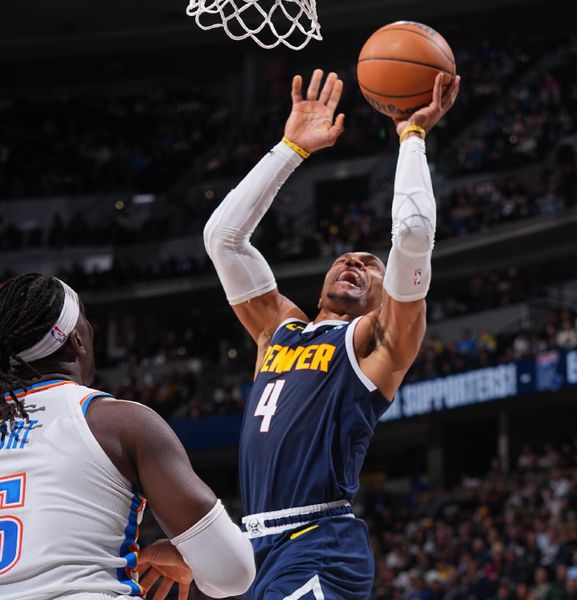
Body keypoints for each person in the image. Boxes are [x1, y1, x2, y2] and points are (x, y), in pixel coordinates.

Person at [204, 68, 460, 598]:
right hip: (252, 547)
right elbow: (223, 239)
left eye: (370, 264)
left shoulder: (375, 344)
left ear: (383, 291)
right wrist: (290, 148)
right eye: (346, 257)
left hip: (318, 540)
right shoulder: (277, 331)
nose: (354, 260)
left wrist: (411, 137)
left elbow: (412, 233)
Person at [0, 273, 255, 599]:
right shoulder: (119, 422)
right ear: (76, 341)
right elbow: (233, 573)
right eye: (86, 321)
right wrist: (190, 555)